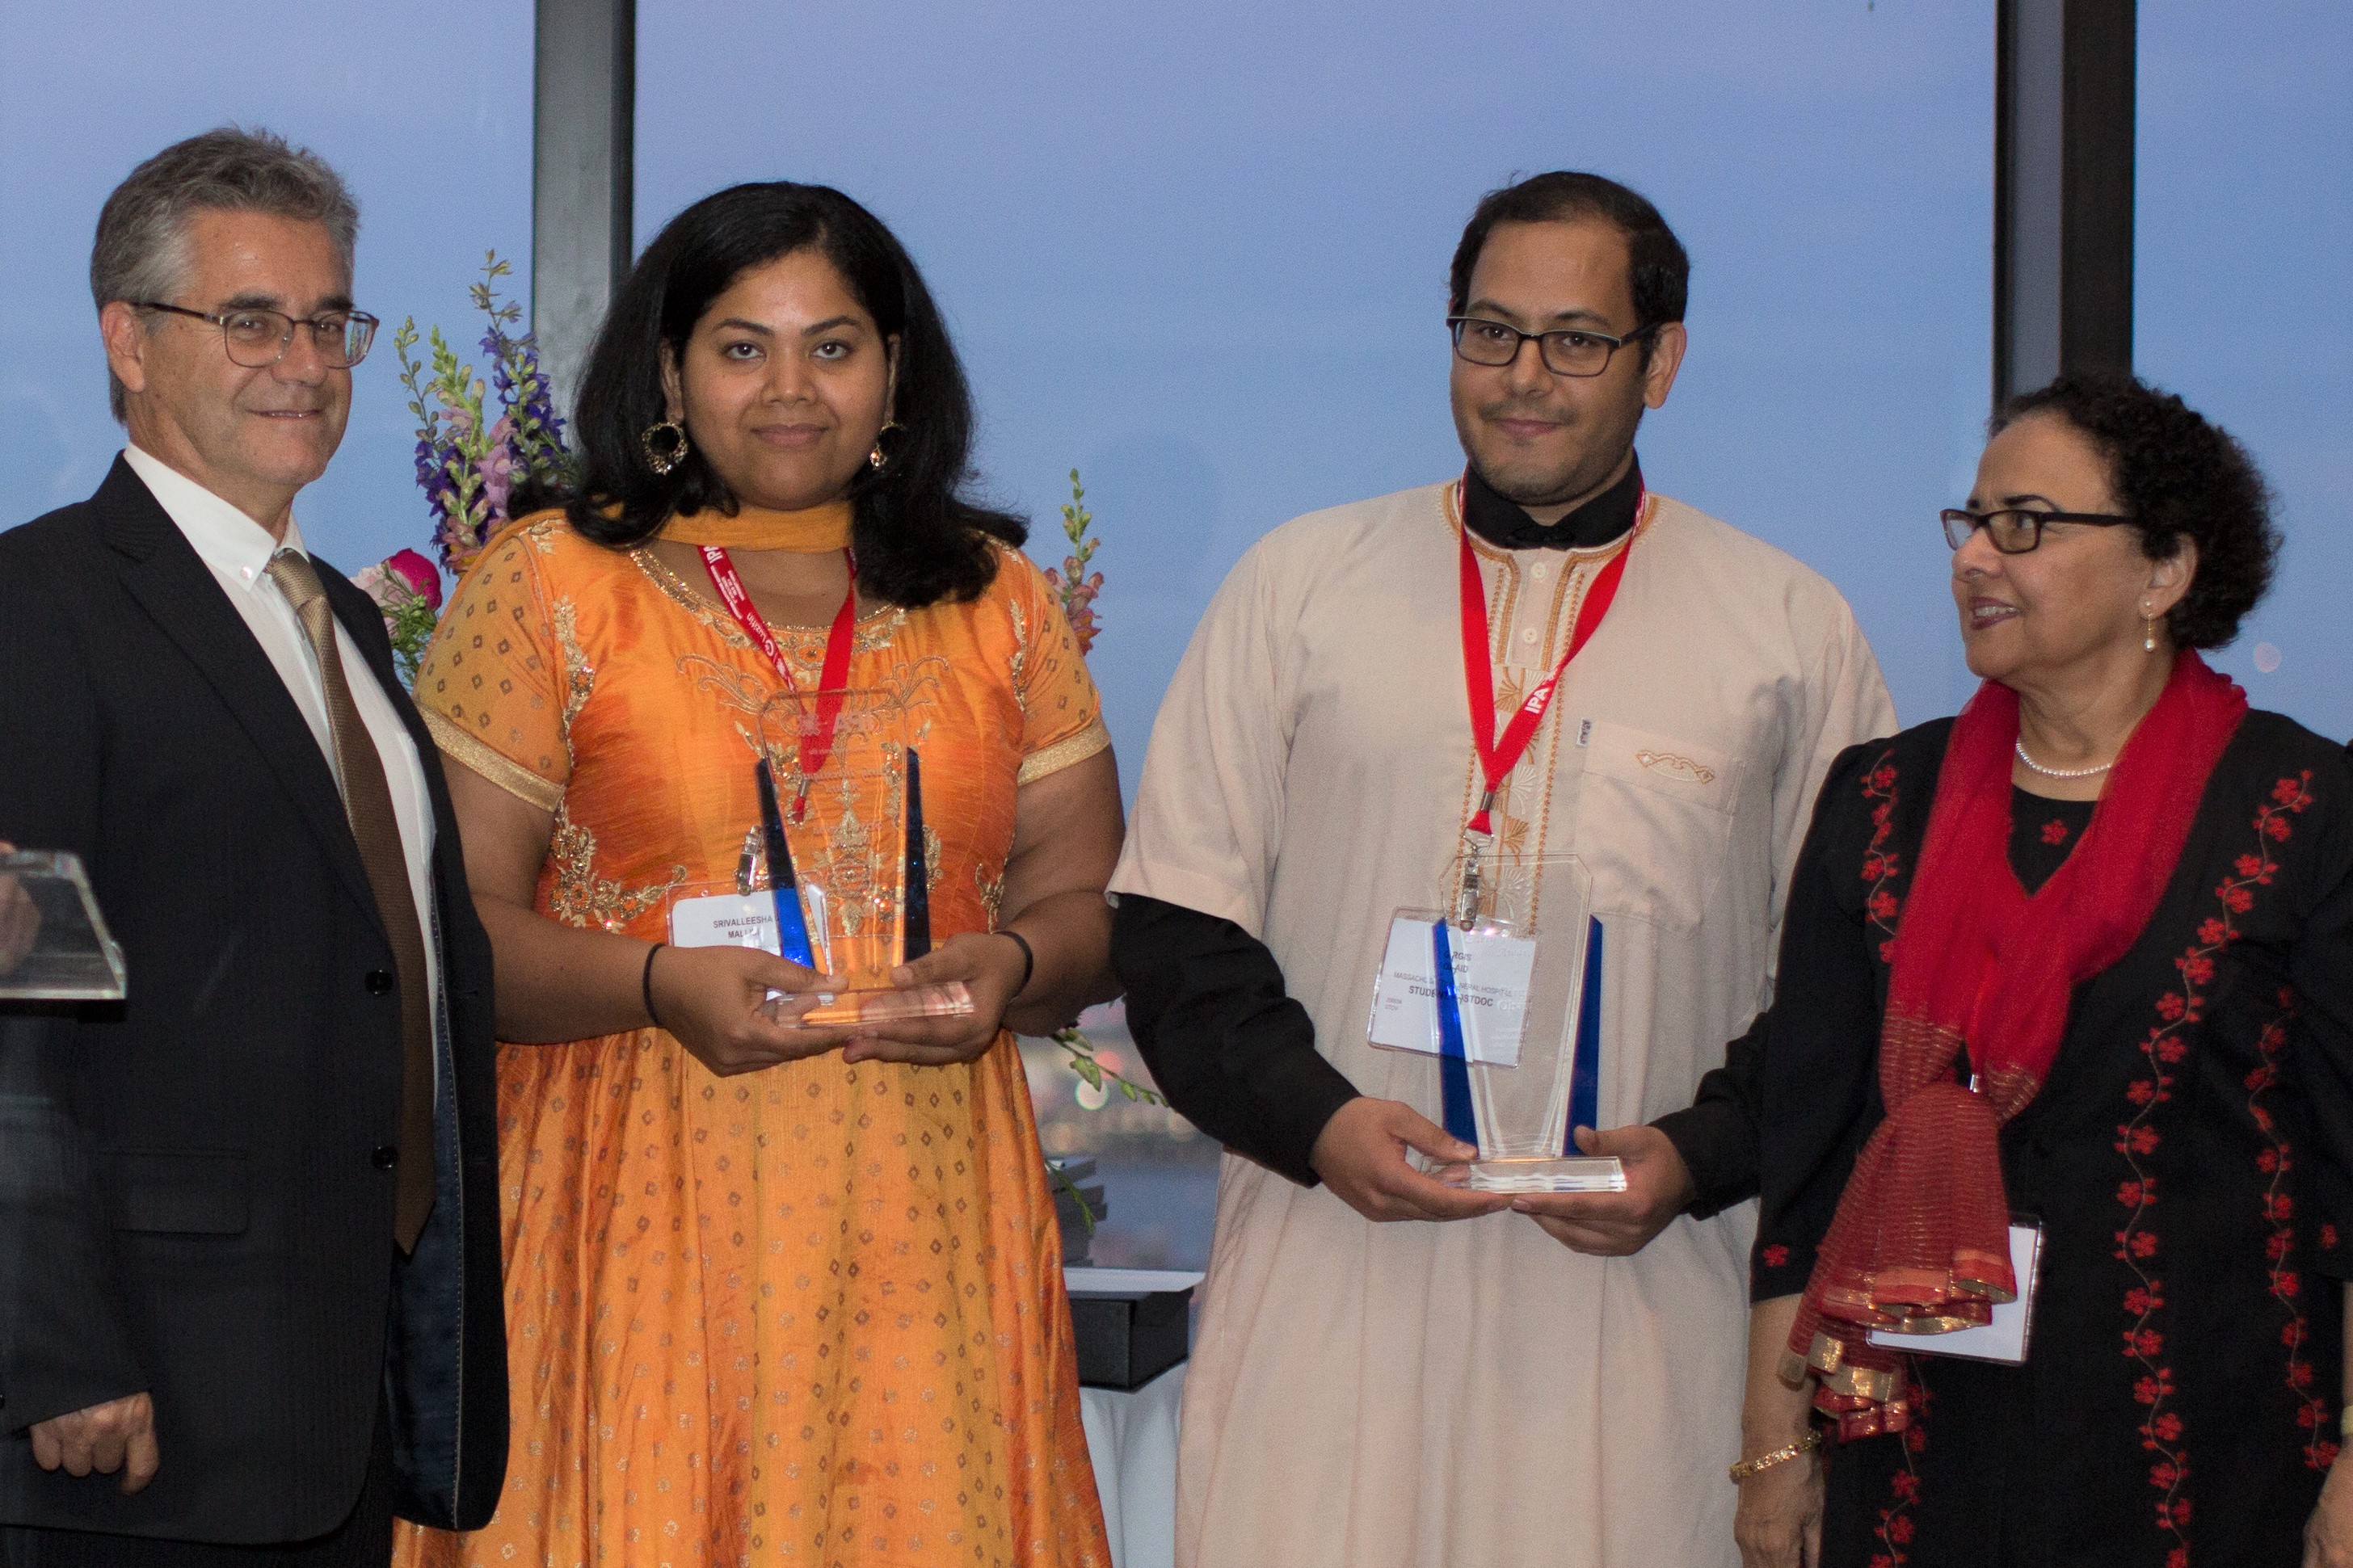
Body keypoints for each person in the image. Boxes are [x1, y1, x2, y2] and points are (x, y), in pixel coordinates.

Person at [1108, 170, 1897, 1566]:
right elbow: (1178, 937)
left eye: (1578, 340)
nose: (1525, 378)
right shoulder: (1298, 589)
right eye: (1491, 332)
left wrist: (1699, 1155)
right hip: (1329, 1268)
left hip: (1643, 1297)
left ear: (1663, 361)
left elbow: (1853, 986)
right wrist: (1324, 1123)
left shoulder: (1787, 631)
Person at [391, 182, 1118, 1567]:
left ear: (896, 372)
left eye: (833, 346)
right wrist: (658, 984)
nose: (790, 389)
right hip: (637, 1209)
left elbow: (1086, 903)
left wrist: (1013, 967)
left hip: (922, 1221)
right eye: (742, 346)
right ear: (669, 370)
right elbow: (449, 932)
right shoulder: (550, 584)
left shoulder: (995, 599)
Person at [1733, 374, 2353, 1568]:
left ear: (2164, 570)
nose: (1976, 559)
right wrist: (1773, 1446)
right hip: (1915, 1450)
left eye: (2027, 523)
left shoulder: (2300, 806)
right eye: (1970, 522)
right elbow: (1805, 1163)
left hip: (2211, 1450)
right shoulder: (1879, 799)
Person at [0, 128, 507, 1563]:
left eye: (330, 318)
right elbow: (12, 1006)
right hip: (129, 1413)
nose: (306, 357)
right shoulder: (39, 605)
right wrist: (55, 1350)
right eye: (249, 319)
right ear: (130, 341)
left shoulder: (341, 625)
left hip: (330, 1405)